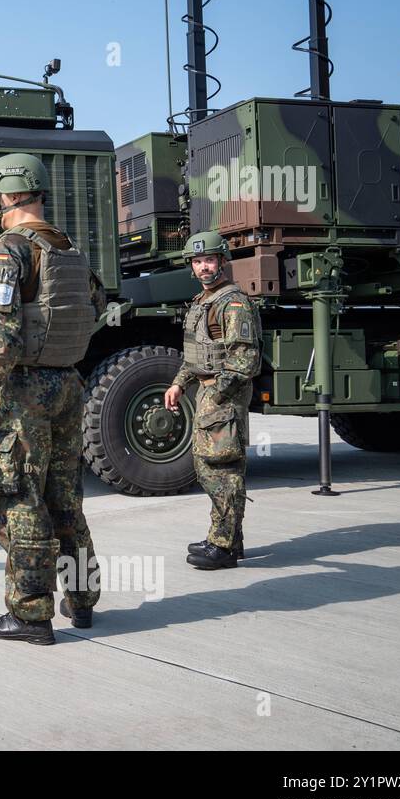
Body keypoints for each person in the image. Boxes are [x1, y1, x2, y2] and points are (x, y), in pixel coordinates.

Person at [0, 153, 105, 646]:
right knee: (66, 499)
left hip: (21, 392)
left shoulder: (9, 252)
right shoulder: (67, 248)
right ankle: (82, 601)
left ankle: (30, 615)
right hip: (67, 384)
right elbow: (95, 307)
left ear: (10, 192)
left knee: (17, 498)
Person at [164, 230, 262, 570]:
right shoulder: (203, 302)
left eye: (208, 260)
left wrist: (216, 395)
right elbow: (197, 354)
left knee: (221, 468)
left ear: (222, 261)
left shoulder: (232, 303)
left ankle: (222, 545)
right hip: (208, 390)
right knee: (209, 466)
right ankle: (229, 539)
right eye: (197, 261)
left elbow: (244, 360)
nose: (203, 267)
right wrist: (179, 383)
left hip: (224, 395)